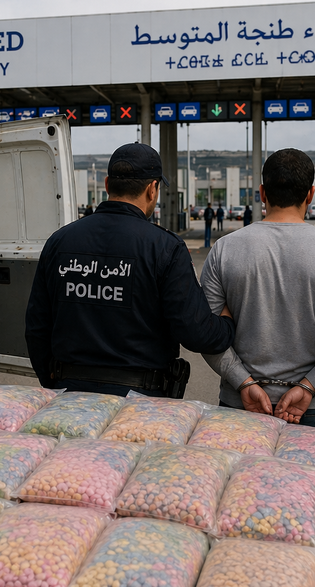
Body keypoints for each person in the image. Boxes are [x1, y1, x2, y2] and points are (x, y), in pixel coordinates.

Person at [25, 142, 235, 398]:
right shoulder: (165, 248)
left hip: (68, 396)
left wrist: (52, 381)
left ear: (107, 185)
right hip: (140, 403)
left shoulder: (59, 241)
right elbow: (196, 332)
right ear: (152, 189)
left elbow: (36, 327)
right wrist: (226, 324)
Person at [201, 149, 315, 430]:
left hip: (240, 404)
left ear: (262, 193)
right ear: (310, 194)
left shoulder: (224, 250)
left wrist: (243, 382)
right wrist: (311, 385)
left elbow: (206, 332)